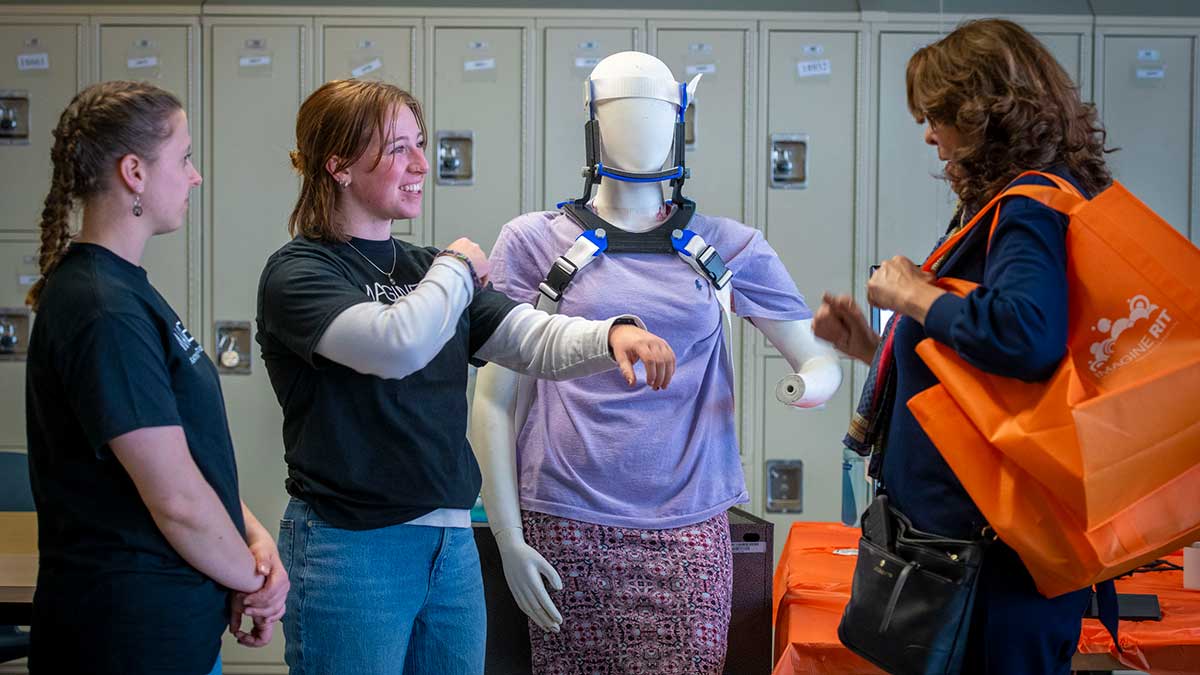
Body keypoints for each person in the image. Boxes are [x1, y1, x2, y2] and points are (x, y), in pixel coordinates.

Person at [257, 78, 676, 675]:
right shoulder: (300, 272)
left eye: (419, 144)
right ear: (339, 165)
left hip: (450, 543)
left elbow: (531, 339)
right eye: (398, 148)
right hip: (351, 546)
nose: (421, 164)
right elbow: (396, 344)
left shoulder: (425, 267)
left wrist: (610, 335)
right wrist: (455, 266)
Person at [470, 52, 842, 674]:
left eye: (652, 112)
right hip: (566, 517)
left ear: (678, 122)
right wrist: (508, 538)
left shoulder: (730, 247)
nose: (637, 127)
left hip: (691, 524)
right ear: (594, 121)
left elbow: (816, 358)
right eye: (622, 111)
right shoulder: (534, 241)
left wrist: (808, 382)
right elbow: (493, 398)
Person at [814, 19, 1113, 674]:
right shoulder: (1034, 198)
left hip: (987, 570)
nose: (930, 135)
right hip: (973, 558)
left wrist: (911, 295)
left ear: (985, 115)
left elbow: (1026, 336)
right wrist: (876, 348)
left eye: (938, 116)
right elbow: (993, 375)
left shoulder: (1029, 204)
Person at [24, 81, 288, 675]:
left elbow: (192, 463)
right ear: (134, 173)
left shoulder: (122, 290)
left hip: (172, 630)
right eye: (184, 157)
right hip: (124, 639)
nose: (195, 176)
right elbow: (176, 500)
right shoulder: (102, 309)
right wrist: (255, 581)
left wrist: (253, 540)